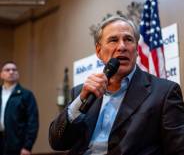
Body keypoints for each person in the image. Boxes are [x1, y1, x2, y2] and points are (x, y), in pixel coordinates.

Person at [49, 15, 184, 155]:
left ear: (137, 50)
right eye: (113, 40)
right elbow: (57, 142)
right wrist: (80, 101)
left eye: (128, 40)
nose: (122, 46)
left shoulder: (164, 92)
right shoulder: (81, 93)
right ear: (98, 51)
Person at [0, 61, 39, 155]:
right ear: (1, 74)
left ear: (18, 74)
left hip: (17, 145)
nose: (11, 72)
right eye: (7, 70)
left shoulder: (26, 95)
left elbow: (32, 122)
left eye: (14, 70)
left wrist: (27, 146)